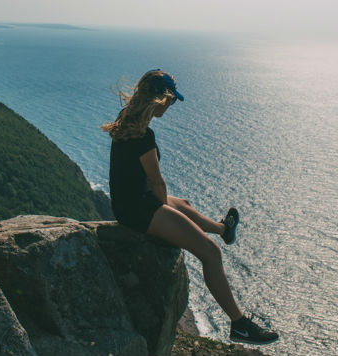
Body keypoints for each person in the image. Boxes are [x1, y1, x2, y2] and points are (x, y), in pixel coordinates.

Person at [100, 69, 279, 345]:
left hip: (128, 202)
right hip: (140, 210)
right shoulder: (144, 136)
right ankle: (239, 324)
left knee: (183, 204)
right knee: (210, 252)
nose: (171, 107)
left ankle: (222, 229)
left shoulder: (126, 121)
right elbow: (157, 183)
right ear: (161, 99)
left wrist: (172, 209)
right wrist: (165, 215)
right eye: (171, 102)